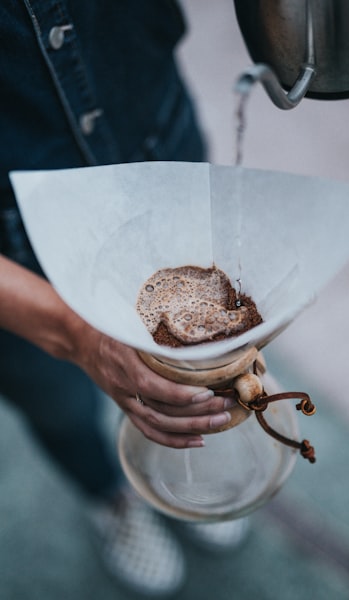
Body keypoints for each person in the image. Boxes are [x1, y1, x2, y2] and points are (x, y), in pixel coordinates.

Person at [0, 1, 250, 596]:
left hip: (156, 137)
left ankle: (180, 469)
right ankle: (109, 497)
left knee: (193, 362)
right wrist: (75, 333)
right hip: (13, 249)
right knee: (59, 403)